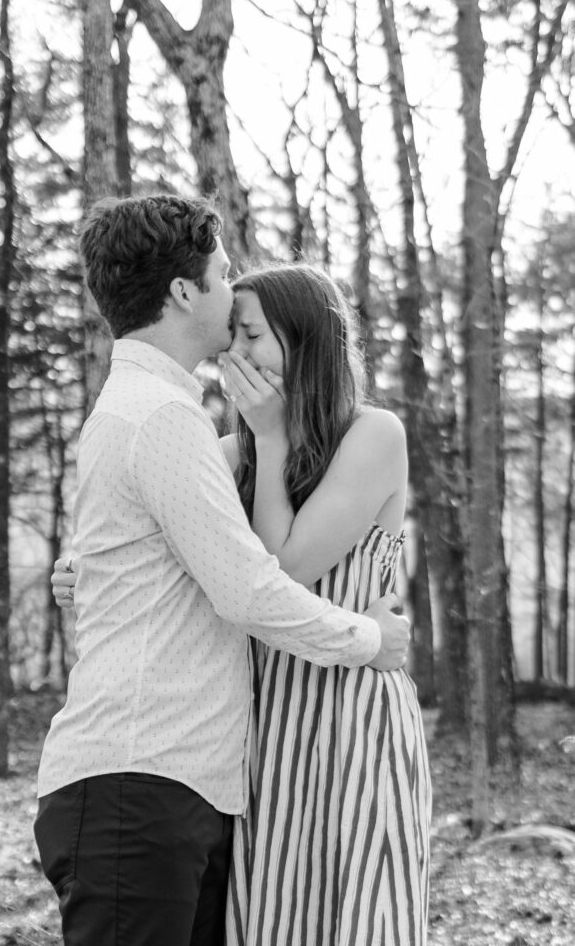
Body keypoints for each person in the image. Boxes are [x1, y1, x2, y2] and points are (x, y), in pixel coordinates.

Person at [35, 194, 410, 946]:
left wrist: (94, 572)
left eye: (254, 331)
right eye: (222, 278)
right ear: (183, 292)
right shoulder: (169, 419)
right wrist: (371, 639)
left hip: (239, 761)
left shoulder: (163, 415)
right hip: (154, 770)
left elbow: (169, 547)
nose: (237, 337)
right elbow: (251, 585)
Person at [219, 265, 432, 946]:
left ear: (305, 338)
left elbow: (284, 571)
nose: (235, 353)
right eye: (230, 336)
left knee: (358, 917)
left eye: (250, 334)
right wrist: (77, 572)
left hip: (352, 716)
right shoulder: (232, 453)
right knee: (272, 916)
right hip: (264, 721)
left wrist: (270, 439)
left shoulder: (374, 434)